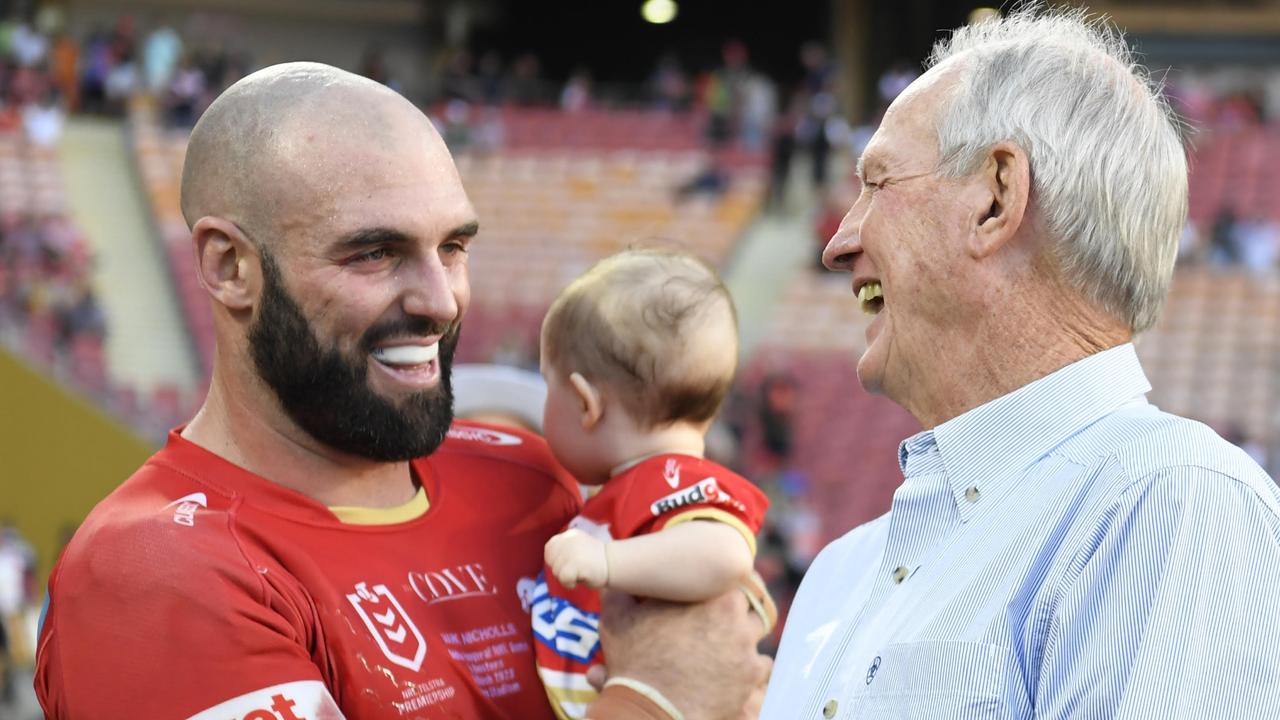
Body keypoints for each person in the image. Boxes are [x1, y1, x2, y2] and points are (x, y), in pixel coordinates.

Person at [33, 62, 769, 720]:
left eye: (453, 247)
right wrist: (659, 702)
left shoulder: (528, 475)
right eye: (376, 252)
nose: (441, 301)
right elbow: (682, 677)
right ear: (230, 268)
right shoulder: (155, 573)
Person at [761, 7, 1280, 719]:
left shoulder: (1164, 502)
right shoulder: (838, 573)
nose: (838, 241)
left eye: (877, 183)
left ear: (996, 197)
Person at [531, 249, 772, 719]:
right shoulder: (632, 486)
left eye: (547, 385)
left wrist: (605, 560)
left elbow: (724, 553)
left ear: (585, 404)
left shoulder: (670, 479)